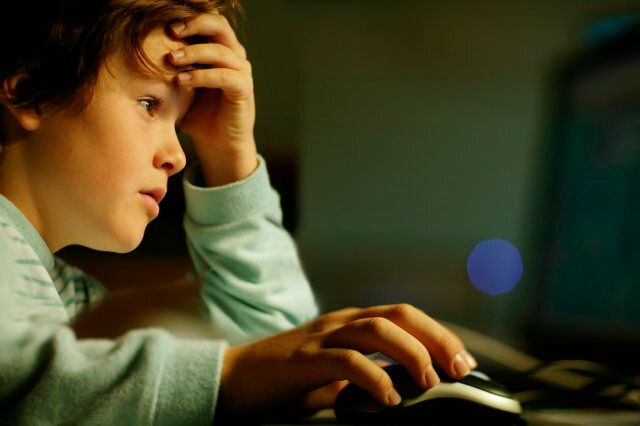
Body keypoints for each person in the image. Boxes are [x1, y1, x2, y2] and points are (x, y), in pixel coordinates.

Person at [0, 0, 478, 423]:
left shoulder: (55, 286)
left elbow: (272, 342)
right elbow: (25, 387)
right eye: (149, 104)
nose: (178, 155)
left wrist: (230, 155)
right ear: (31, 92)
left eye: (181, 123)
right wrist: (235, 372)